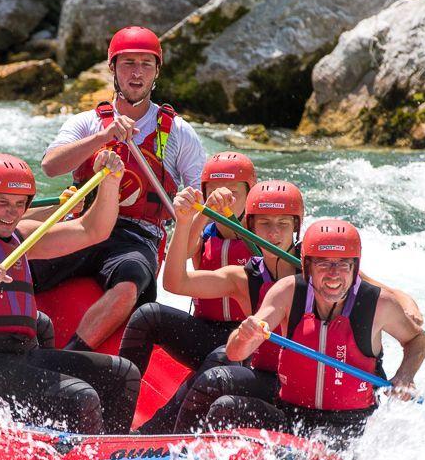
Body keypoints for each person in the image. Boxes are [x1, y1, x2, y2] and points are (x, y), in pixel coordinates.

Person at [0, 151, 142, 435]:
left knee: (122, 374)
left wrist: (111, 182)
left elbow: (92, 230)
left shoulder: (20, 236)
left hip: (17, 356)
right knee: (82, 398)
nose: (13, 212)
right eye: (3, 203)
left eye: (20, 204)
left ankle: (108, 457)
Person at [36, 26, 207, 351]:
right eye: (128, 63)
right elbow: (51, 166)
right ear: (112, 68)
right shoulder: (87, 123)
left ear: (157, 71)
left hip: (137, 237)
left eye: (145, 64)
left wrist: (187, 234)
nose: (137, 73)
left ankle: (74, 355)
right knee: (17, 263)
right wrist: (102, 138)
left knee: (129, 286)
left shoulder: (178, 133)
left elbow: (200, 198)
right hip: (83, 227)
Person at [200, 219, 425, 441]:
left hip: (350, 425)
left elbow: (417, 339)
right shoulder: (287, 292)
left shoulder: (380, 304)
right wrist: (245, 335)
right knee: (225, 407)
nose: (333, 273)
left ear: (354, 267)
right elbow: (236, 354)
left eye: (343, 264)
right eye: (323, 263)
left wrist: (406, 375)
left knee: (319, 446)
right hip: (292, 416)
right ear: (307, 266)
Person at [140, 179, 305, 433]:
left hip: (302, 392)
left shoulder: (321, 269)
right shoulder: (245, 277)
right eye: (265, 223)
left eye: (283, 224)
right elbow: (175, 282)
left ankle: (170, 443)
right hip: (265, 379)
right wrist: (184, 223)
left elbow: (385, 298)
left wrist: (391, 376)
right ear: (250, 226)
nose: (274, 233)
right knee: (216, 383)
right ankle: (165, 442)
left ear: (296, 226)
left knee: (220, 389)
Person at [118, 151, 260, 382]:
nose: (223, 198)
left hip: (247, 341)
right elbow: (179, 260)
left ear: (250, 195)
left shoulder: (266, 236)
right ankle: (119, 395)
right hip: (204, 331)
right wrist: (196, 216)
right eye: (213, 192)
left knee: (221, 357)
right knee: (147, 315)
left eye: (233, 192)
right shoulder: (203, 234)